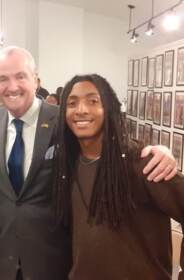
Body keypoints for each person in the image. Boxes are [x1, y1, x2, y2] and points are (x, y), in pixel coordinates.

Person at [0, 46, 177, 280]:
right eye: (3, 79)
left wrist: (158, 149)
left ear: (36, 80)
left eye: (20, 76)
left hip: (55, 261)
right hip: (4, 260)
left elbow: (107, 142)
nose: (12, 86)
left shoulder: (64, 121)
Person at [53, 74, 183, 279]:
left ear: (109, 108)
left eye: (93, 101)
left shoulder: (143, 163)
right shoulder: (68, 165)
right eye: (72, 103)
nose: (81, 110)